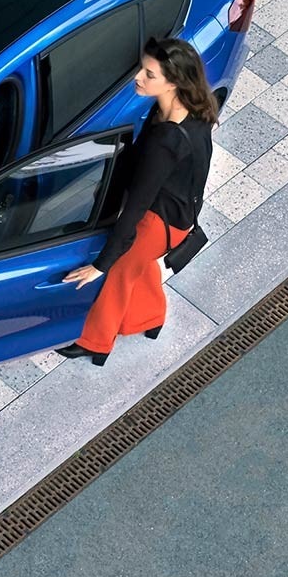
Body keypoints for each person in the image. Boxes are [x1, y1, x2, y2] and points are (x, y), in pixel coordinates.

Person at [57, 37, 217, 367]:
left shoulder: (167, 139)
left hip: (158, 223)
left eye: (149, 74)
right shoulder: (195, 115)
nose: (138, 78)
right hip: (180, 215)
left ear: (173, 82)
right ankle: (149, 317)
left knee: (119, 273)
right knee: (138, 268)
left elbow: (135, 209)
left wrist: (100, 264)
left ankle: (95, 342)